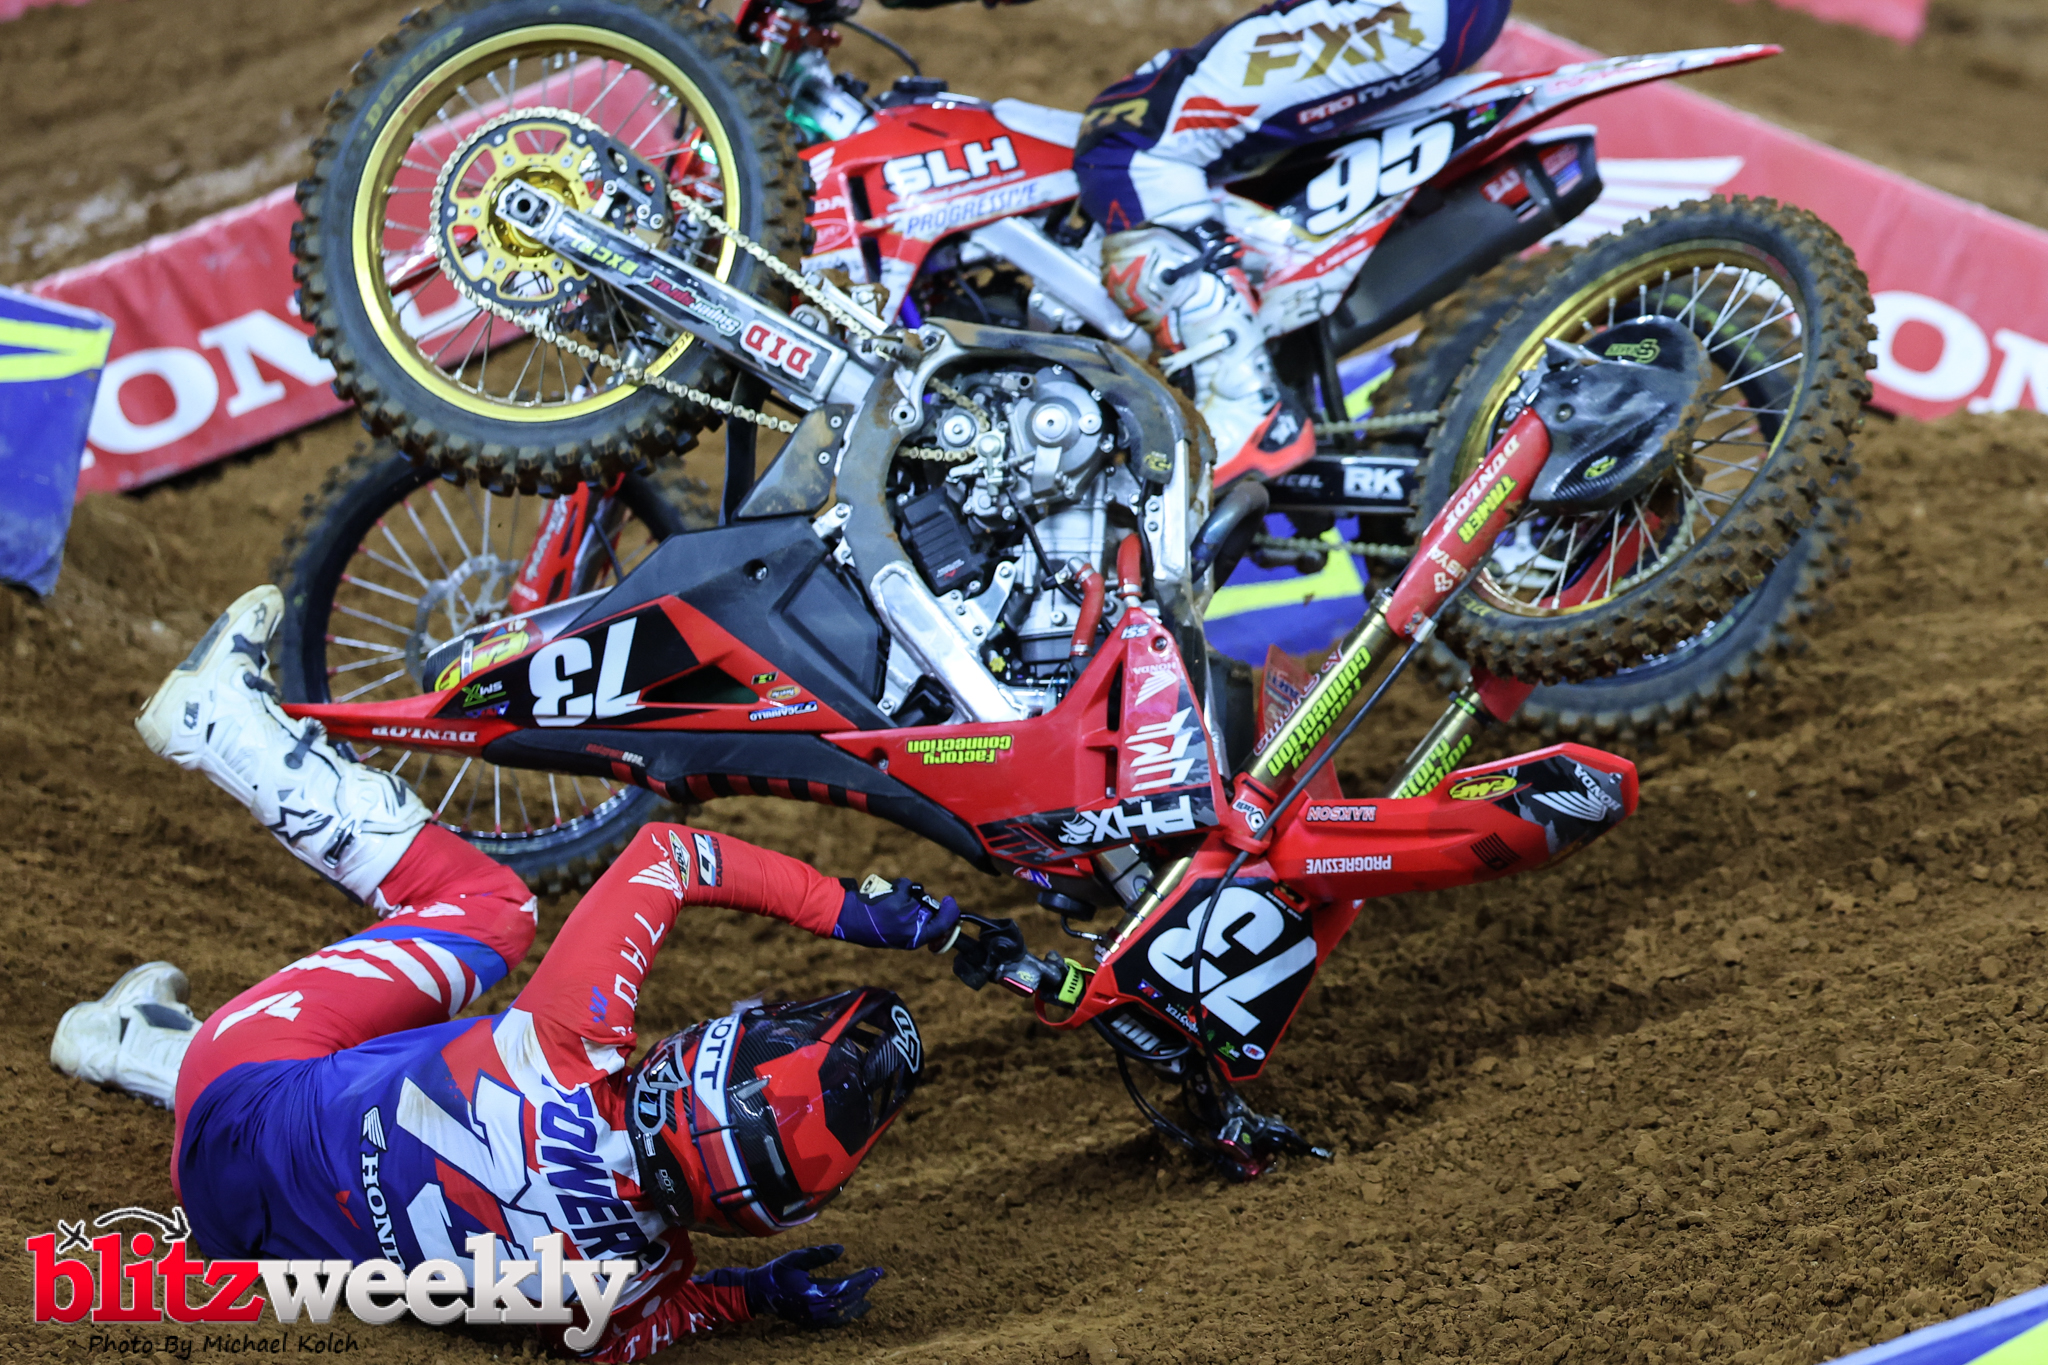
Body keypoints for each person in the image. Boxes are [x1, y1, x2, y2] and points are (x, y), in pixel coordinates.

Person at [51, 586, 962, 1359]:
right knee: (390, 1112)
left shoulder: (565, 1042)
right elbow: (645, 1330)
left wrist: (841, 907)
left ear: (696, 1063)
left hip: (238, 1080)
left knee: (494, 913)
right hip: (236, 1240)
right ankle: (128, 1041)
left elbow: (668, 855)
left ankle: (222, 726)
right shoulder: (627, 1283)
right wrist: (751, 1294)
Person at [861, 0, 1512, 480]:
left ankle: (1249, 406)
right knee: (1186, 130)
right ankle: (1259, 326)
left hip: (1403, 11)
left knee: (1130, 143)